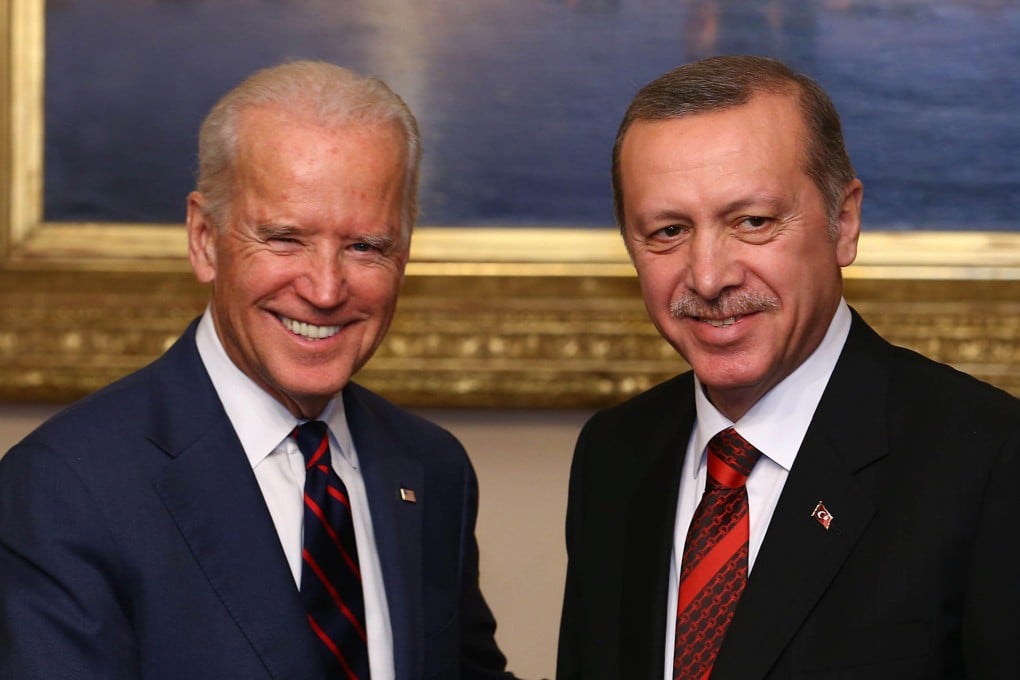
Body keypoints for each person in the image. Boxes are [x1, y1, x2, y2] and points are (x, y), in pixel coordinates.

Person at [0, 60, 515, 679]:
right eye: (284, 239)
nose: (325, 290)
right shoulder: (67, 486)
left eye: (365, 246)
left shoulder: (432, 468)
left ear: (404, 253)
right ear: (204, 239)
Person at [557, 55, 1020, 679]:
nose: (709, 276)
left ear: (844, 222)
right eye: (668, 231)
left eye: (753, 222)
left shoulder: (989, 459)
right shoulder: (615, 456)